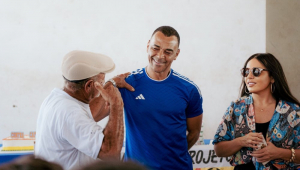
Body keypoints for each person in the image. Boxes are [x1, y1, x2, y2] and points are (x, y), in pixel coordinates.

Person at [110, 26, 203, 170]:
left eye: (168, 51)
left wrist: (172, 154)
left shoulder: (189, 89)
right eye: (155, 48)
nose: (160, 56)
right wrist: (110, 83)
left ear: (176, 54)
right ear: (148, 46)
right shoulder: (127, 83)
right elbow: (94, 114)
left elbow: (194, 132)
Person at [35, 50, 129, 170]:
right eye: (101, 82)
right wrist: (116, 105)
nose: (103, 85)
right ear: (89, 85)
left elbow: (87, 116)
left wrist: (112, 84)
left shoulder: (57, 99)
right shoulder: (70, 112)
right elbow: (111, 153)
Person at [213, 53, 300, 170]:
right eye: (246, 72)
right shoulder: (236, 108)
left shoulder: (293, 112)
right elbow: (219, 150)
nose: (249, 76)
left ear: (272, 77)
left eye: (256, 72)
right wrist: (241, 141)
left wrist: (279, 153)